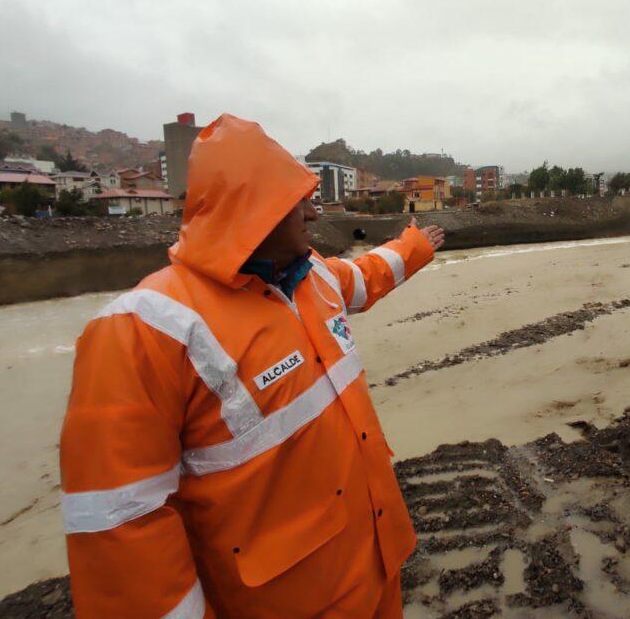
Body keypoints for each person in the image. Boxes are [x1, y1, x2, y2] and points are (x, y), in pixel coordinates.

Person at [59, 114, 445, 618]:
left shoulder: (314, 278)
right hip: (287, 601)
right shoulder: (145, 329)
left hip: (376, 562)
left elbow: (366, 275)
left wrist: (415, 247)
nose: (312, 214)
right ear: (257, 210)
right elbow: (120, 528)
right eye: (299, 201)